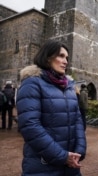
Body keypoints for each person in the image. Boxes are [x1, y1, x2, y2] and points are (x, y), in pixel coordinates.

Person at [16, 39, 86, 176]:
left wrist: (79, 151)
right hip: (43, 166)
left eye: (67, 57)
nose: (66, 61)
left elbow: (78, 120)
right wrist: (62, 156)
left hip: (71, 166)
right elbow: (30, 126)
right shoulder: (32, 84)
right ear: (47, 57)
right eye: (61, 56)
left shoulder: (69, 87)